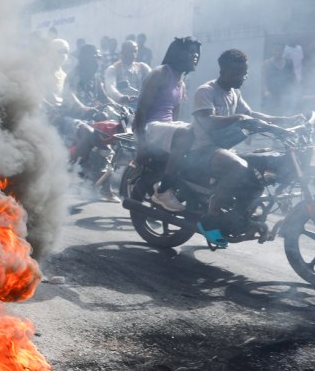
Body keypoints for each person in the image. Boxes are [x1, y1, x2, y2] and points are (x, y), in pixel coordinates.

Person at [185, 49, 304, 248]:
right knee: (239, 167)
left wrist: (283, 121)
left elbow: (252, 115)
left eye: (244, 73)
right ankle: (210, 218)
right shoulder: (206, 91)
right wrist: (239, 118)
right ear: (223, 71)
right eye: (237, 73)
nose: (242, 78)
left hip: (223, 150)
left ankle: (242, 214)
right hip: (202, 150)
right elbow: (208, 121)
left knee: (259, 170)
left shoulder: (234, 93)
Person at [132, 37, 201, 211]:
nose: (195, 56)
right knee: (187, 133)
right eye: (191, 52)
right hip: (151, 127)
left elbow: (174, 119)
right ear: (178, 54)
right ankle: (163, 191)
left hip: (165, 129)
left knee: (200, 132)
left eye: (197, 53)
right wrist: (141, 145)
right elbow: (141, 111)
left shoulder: (181, 83)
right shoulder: (160, 74)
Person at [103, 39, 151, 105]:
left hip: (139, 105)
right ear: (122, 52)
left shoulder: (143, 67)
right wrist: (120, 97)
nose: (133, 54)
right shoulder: (113, 69)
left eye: (135, 51)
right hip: (121, 107)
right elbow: (110, 87)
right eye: (130, 51)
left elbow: (155, 81)